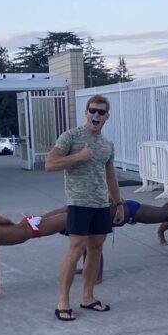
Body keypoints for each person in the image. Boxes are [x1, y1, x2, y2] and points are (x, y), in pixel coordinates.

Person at [45, 94, 122, 321]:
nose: (96, 115)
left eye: (101, 112)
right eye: (92, 110)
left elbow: (110, 176)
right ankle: (63, 302)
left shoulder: (107, 144)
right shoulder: (71, 136)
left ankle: (88, 298)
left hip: (101, 204)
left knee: (96, 250)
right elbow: (50, 164)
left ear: (107, 116)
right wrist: (79, 156)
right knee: (76, 250)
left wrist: (118, 204)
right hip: (78, 202)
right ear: (86, 112)